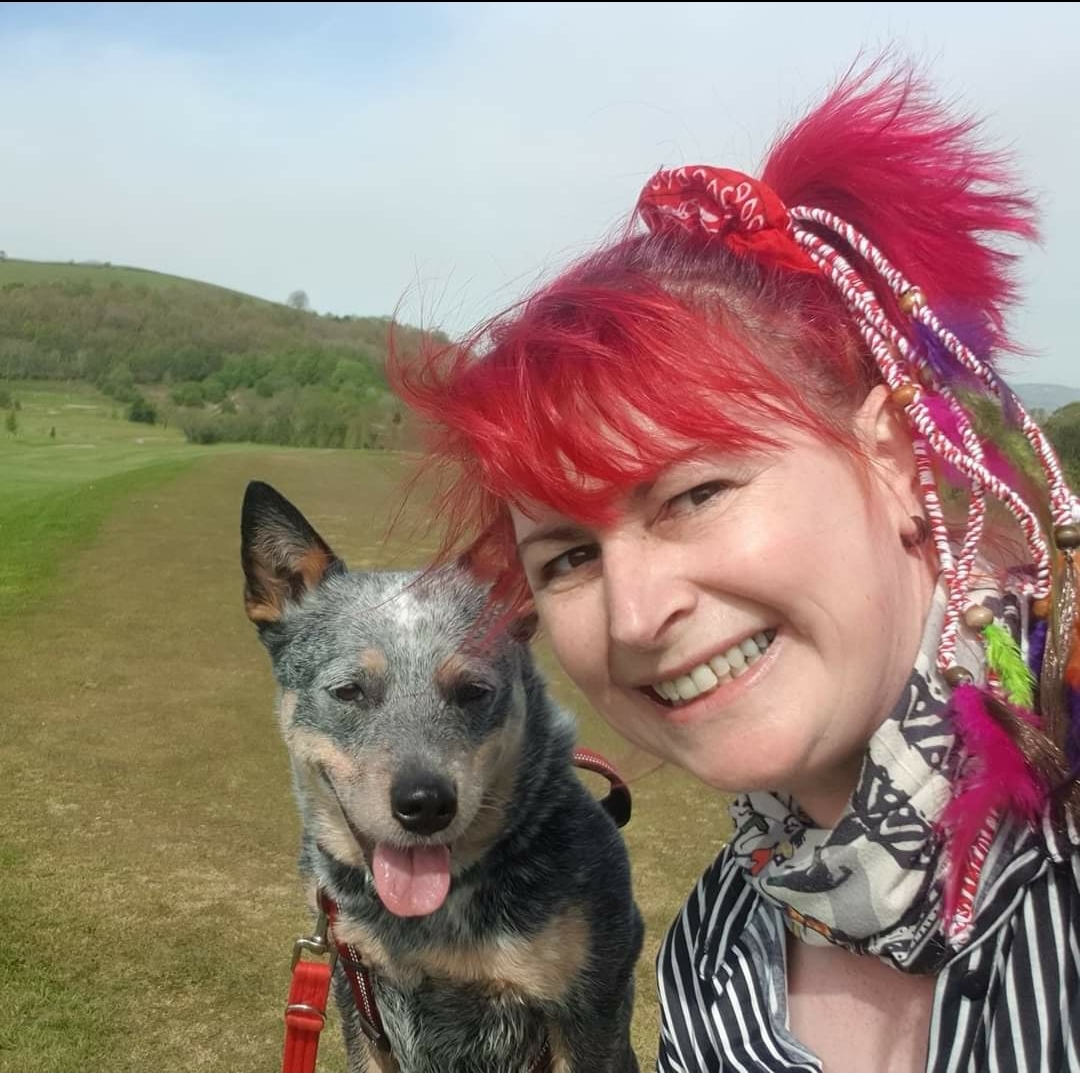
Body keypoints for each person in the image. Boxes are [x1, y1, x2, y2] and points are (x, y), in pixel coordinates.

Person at [389, 57, 1080, 1073]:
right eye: (570, 554)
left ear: (889, 459)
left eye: (694, 494)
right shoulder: (714, 956)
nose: (634, 612)